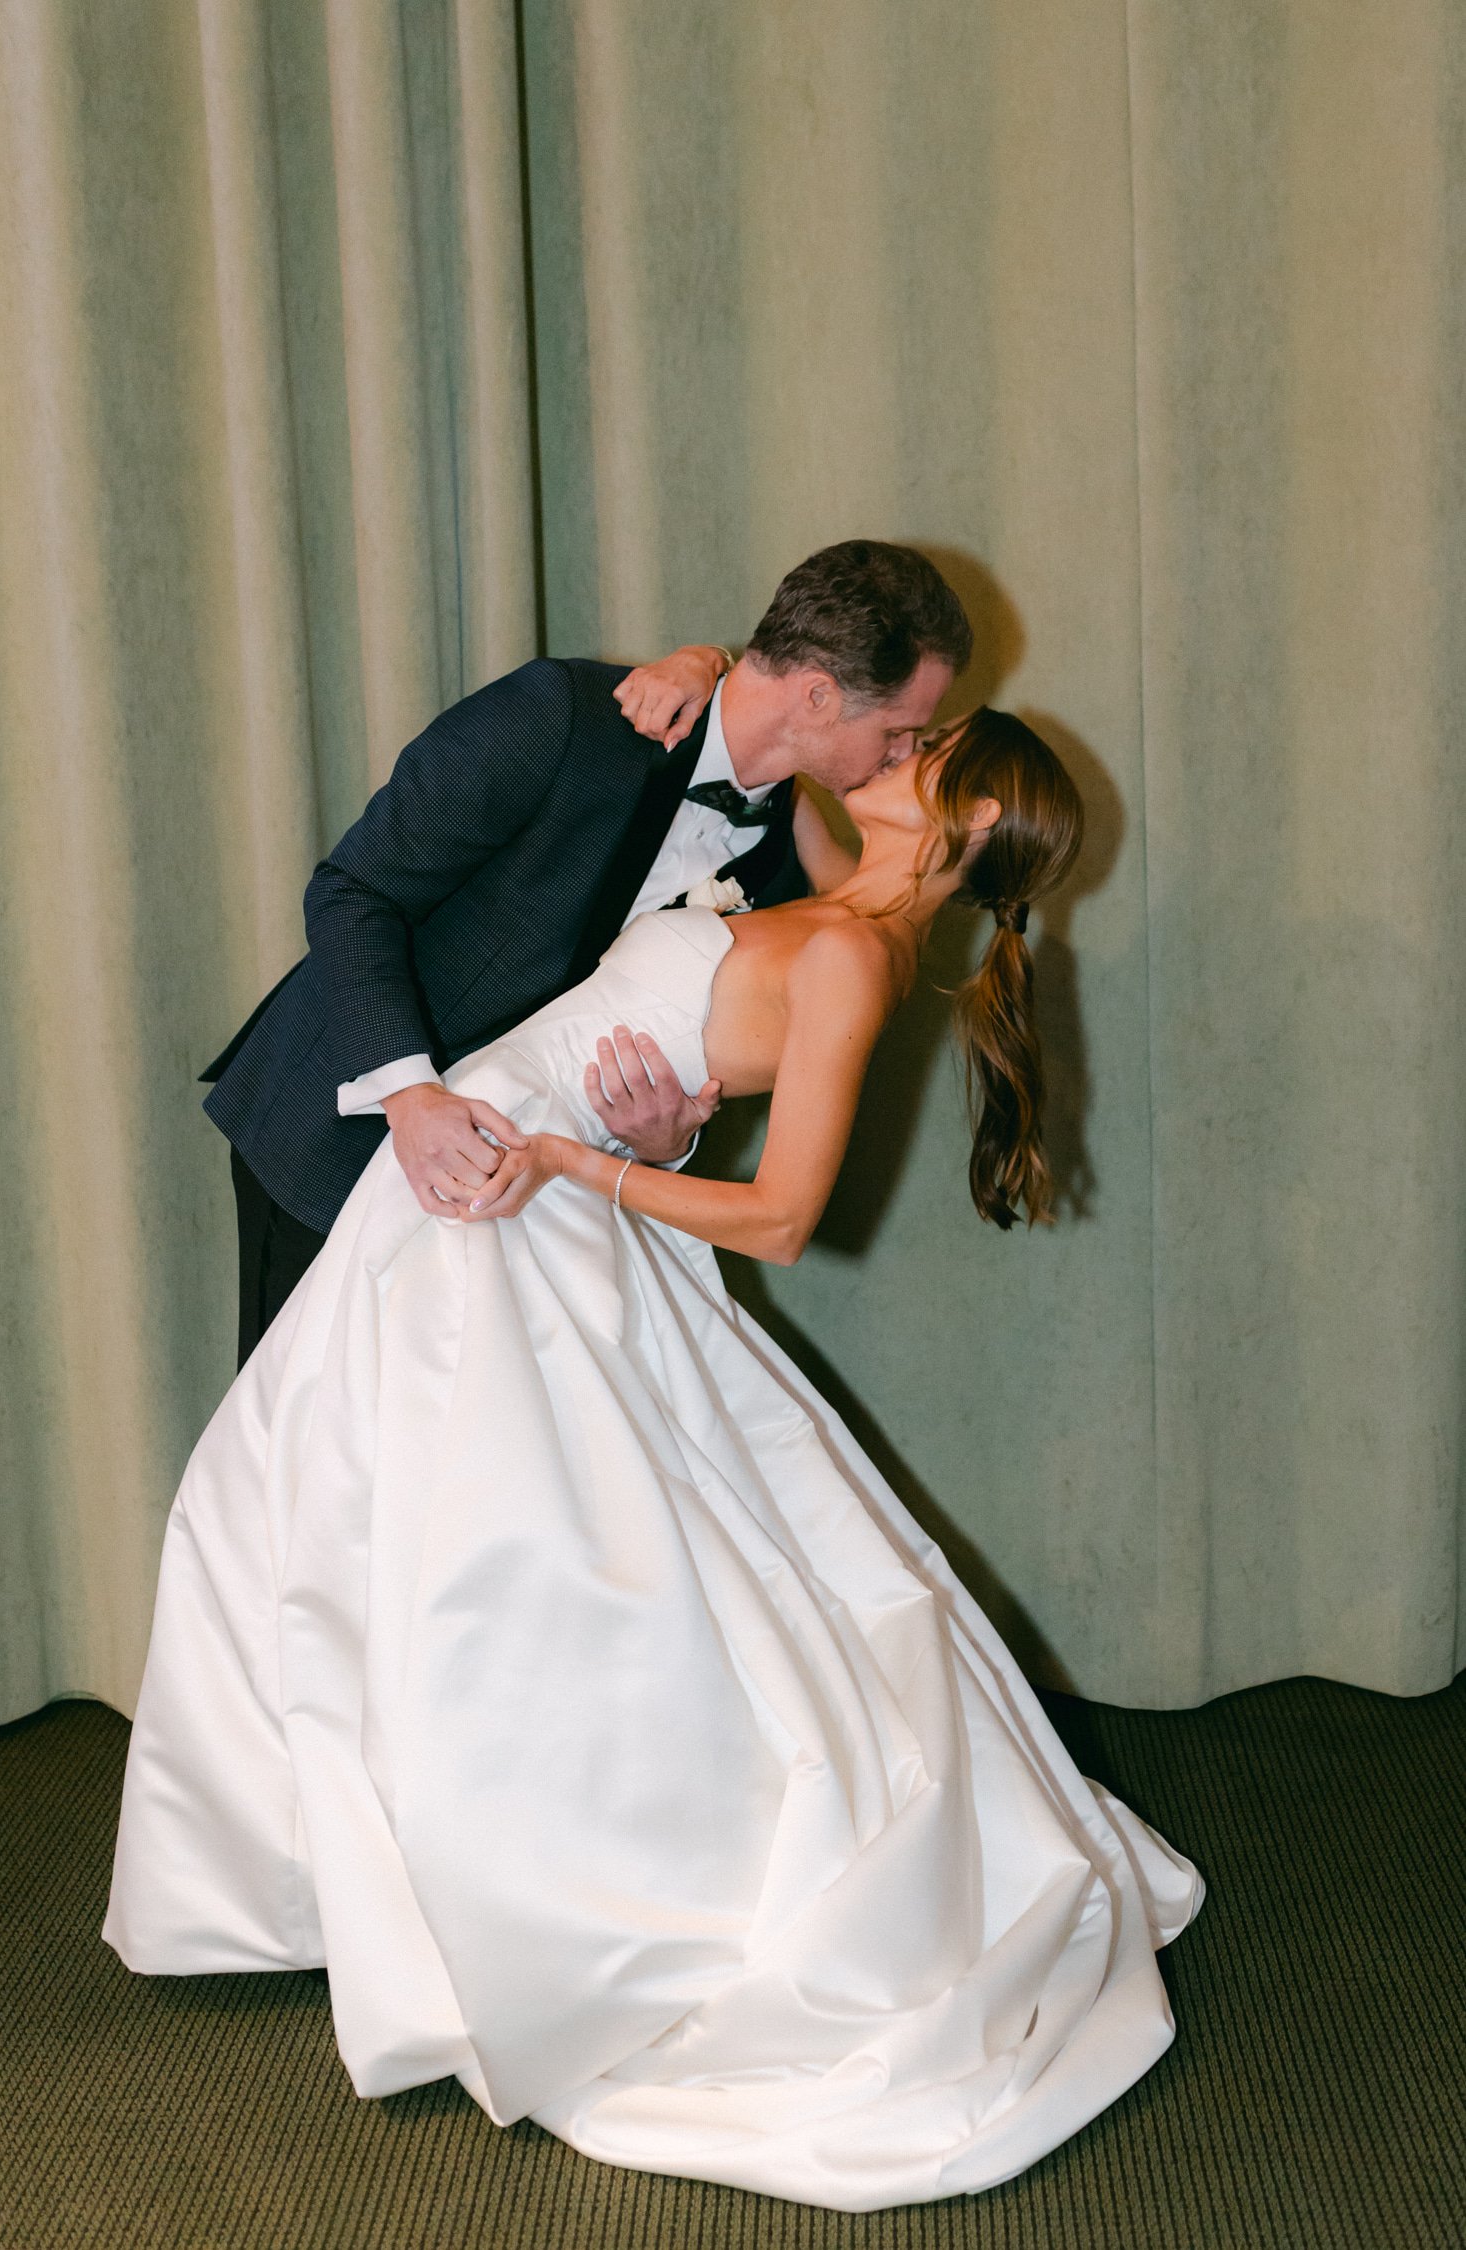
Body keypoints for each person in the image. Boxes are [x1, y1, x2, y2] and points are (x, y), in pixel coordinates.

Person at [104, 697, 1205, 2213]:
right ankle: (338, 1880)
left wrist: (580, 1158)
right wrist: (644, 1122)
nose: (883, 758)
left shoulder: (850, 956)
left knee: (468, 1562)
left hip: (509, 1193)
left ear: (949, 825)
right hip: (484, 1175)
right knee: (316, 1505)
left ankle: (512, 1902)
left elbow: (786, 1218)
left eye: (917, 756)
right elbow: (757, 789)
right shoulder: (819, 899)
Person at [199, 539, 970, 1365]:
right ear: (818, 695)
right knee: (311, 1468)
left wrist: (666, 1141)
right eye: (901, 730)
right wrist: (412, 1095)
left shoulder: (792, 875)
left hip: (519, 1207)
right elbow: (353, 891)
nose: (905, 756)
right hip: (342, 1132)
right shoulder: (562, 715)